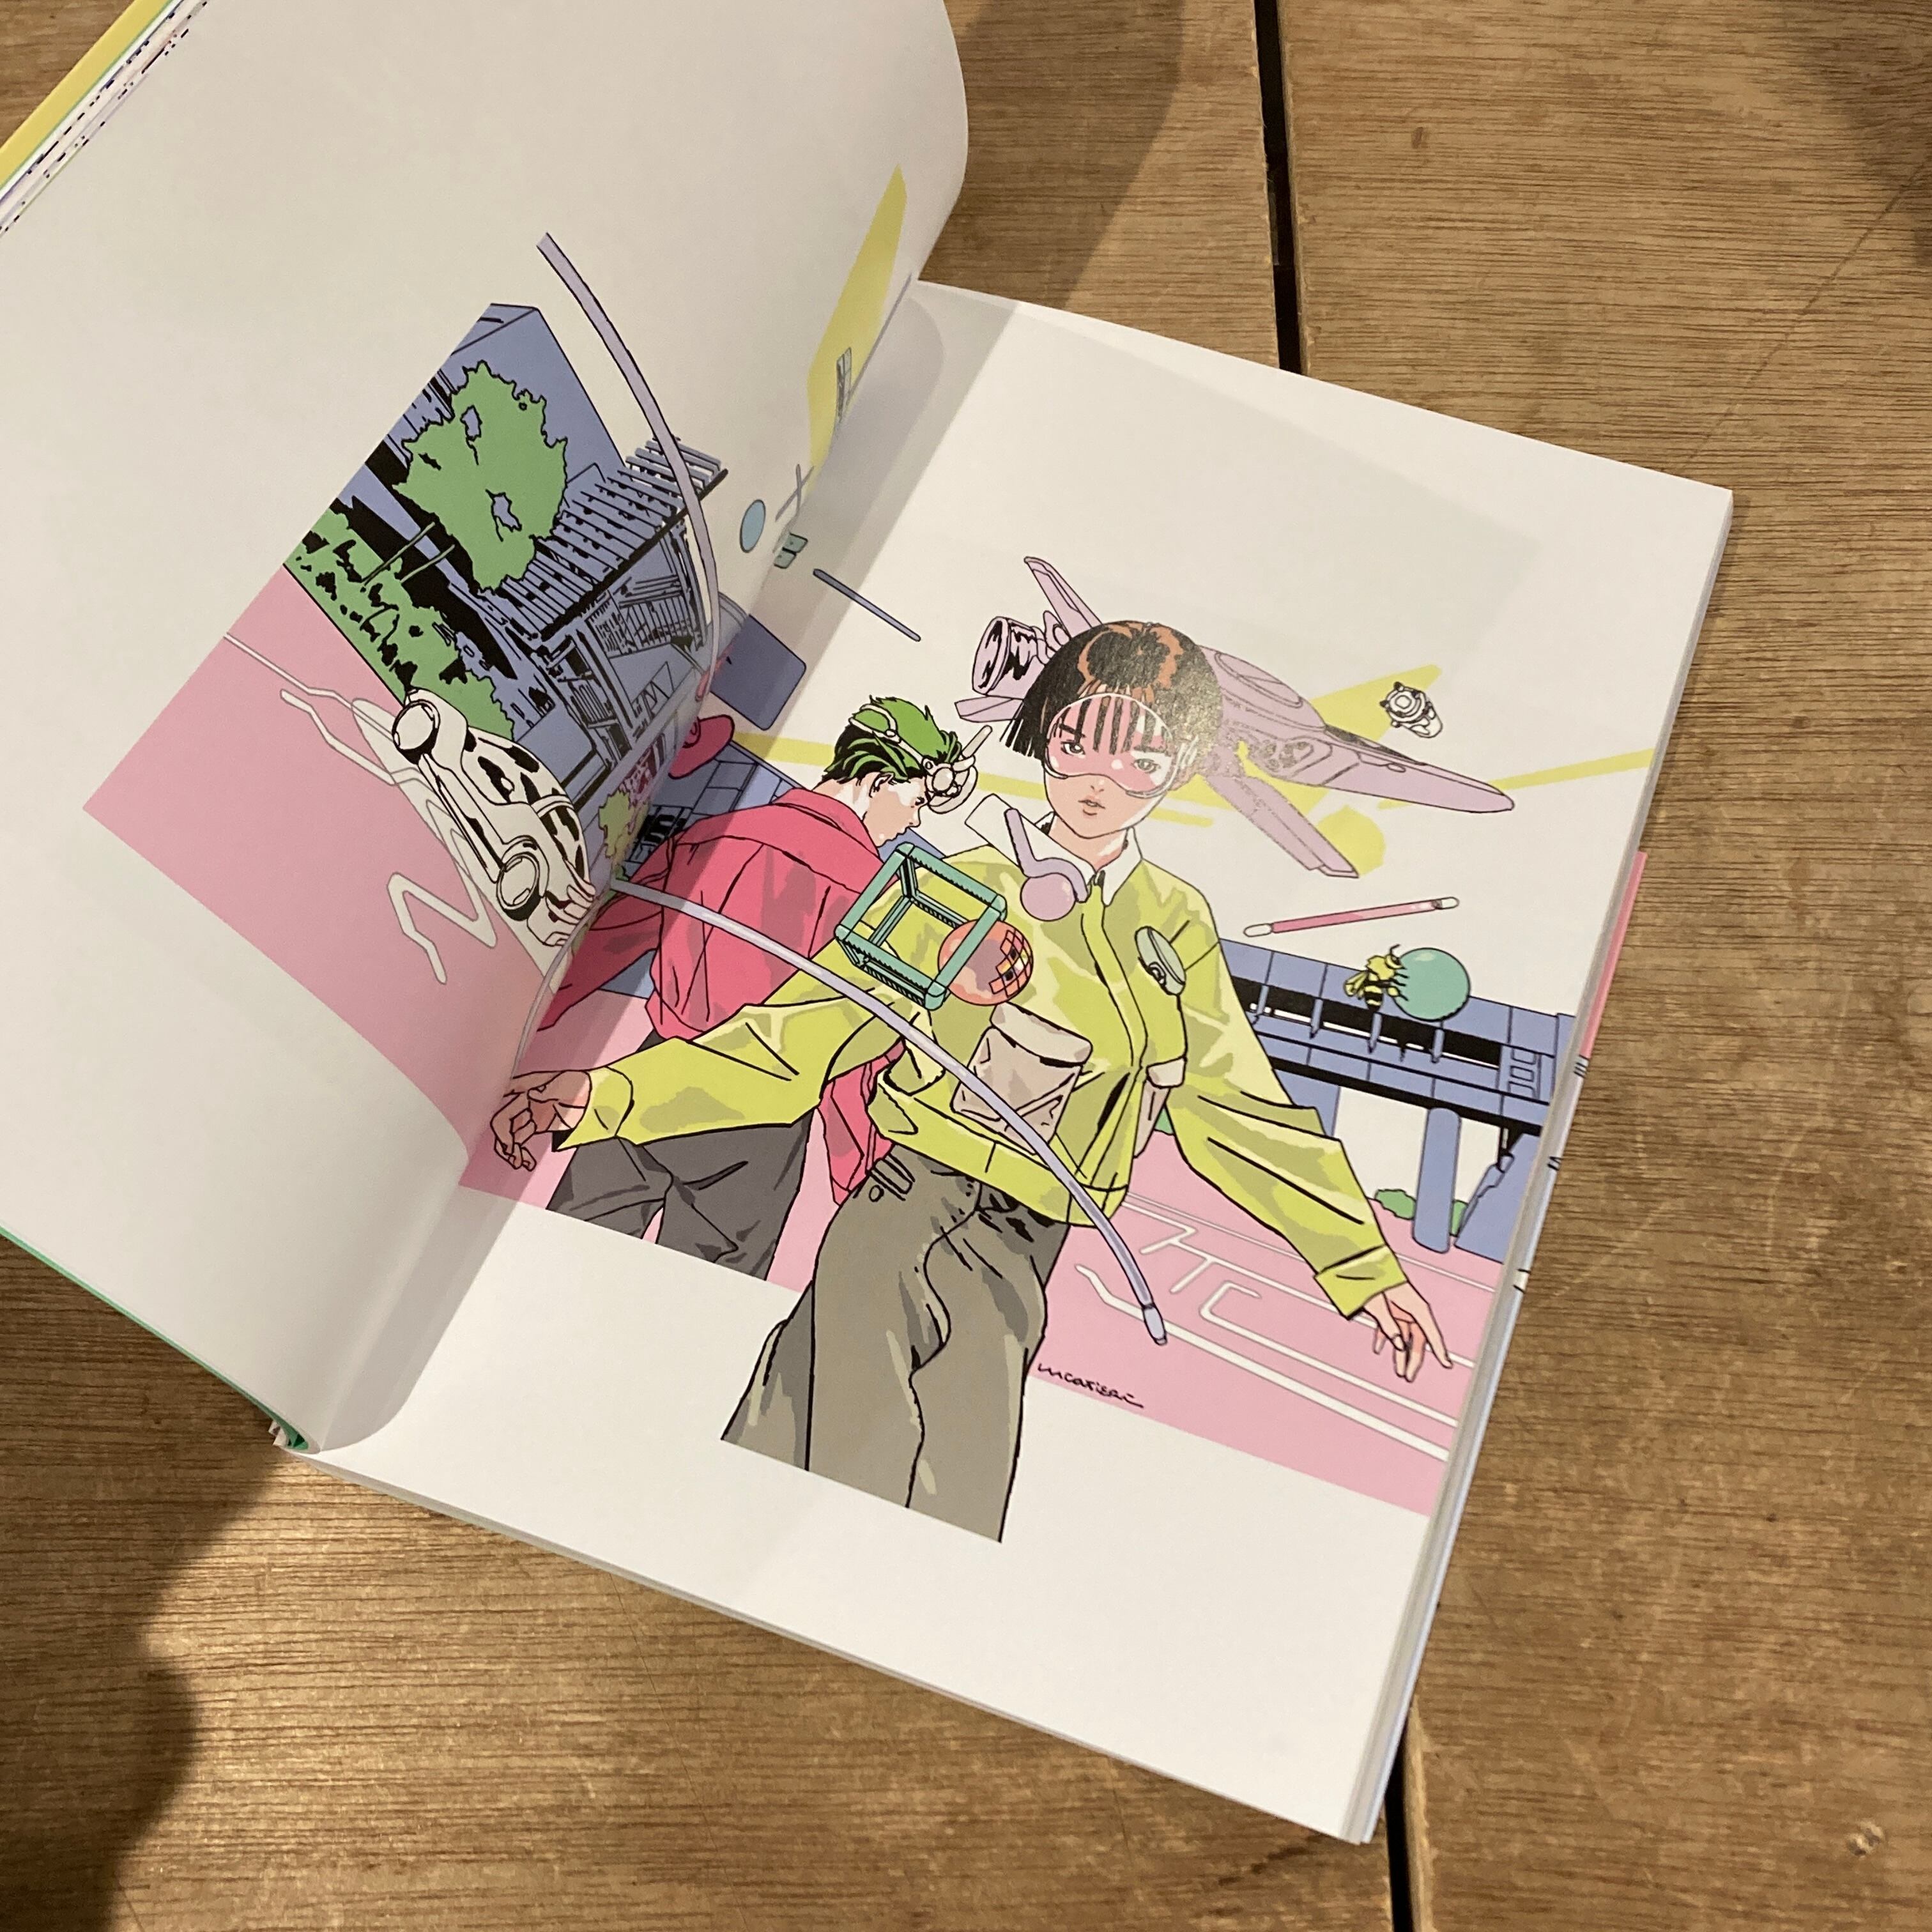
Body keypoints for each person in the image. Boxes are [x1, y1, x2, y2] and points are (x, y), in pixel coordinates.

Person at [494, 622, 1450, 1538]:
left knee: (938, 1494)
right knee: (833, 1483)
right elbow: (800, 1036)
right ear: (1045, 736)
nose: (1100, 779)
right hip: (902, 1214)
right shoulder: (957, 886)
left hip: (1025, 1254)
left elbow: (1237, 1109)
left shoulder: (1175, 923)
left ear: (1177, 768)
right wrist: (606, 1097)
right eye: (1078, 741)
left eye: (1140, 758)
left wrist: (1362, 1269)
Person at [500, 696, 969, 1278]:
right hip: (759, 1125)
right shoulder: (874, 900)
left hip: (645, 1075)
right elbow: (851, 1054)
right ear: (876, 783)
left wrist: (511, 1037)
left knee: (557, 1264)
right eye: (916, 802)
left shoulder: (716, 835)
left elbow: (603, 945)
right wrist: (857, 1169)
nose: (914, 822)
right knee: (699, 1302)